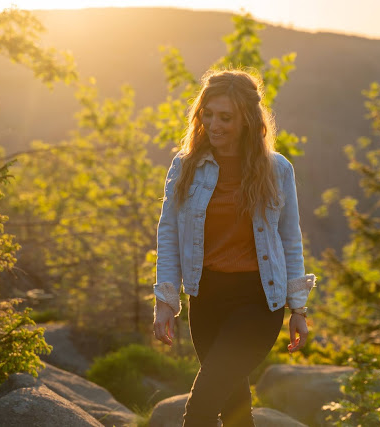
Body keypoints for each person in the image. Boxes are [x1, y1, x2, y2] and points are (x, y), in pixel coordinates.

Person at [153, 69, 316, 427]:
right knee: (235, 408)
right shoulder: (185, 166)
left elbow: (290, 238)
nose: (214, 124)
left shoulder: (277, 170)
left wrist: (298, 309)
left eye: (225, 117)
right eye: (207, 114)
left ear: (246, 120)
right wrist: (165, 300)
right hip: (206, 299)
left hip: (257, 302)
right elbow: (168, 234)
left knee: (199, 409)